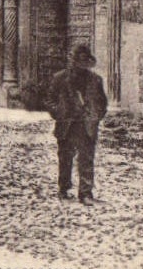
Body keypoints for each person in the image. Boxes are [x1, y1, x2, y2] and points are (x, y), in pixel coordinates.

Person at [46, 43, 108, 203]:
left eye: (84, 64)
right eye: (77, 63)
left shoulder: (96, 80)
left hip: (86, 125)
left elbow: (102, 103)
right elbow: (49, 100)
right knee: (65, 158)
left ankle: (86, 193)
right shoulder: (59, 78)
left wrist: (95, 117)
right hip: (67, 124)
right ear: (72, 62)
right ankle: (64, 189)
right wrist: (59, 113)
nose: (80, 67)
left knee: (86, 159)